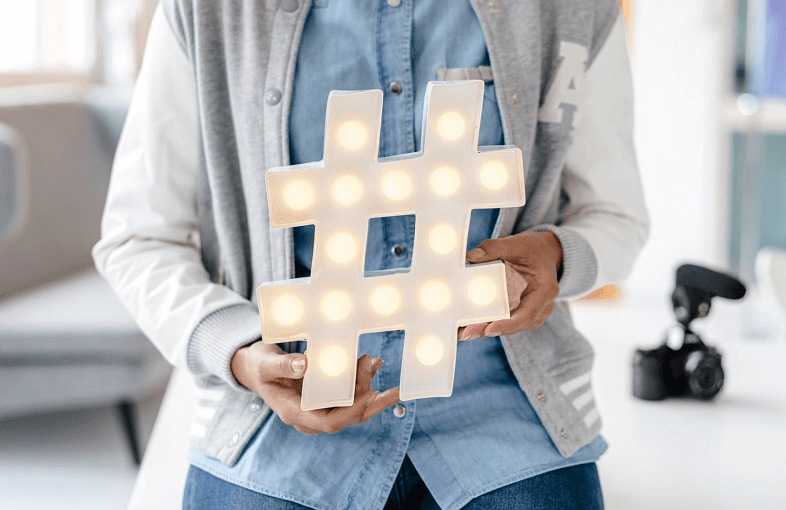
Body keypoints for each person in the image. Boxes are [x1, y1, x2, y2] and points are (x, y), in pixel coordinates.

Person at [93, 0, 648, 508]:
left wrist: (555, 256)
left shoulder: (573, 10)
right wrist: (236, 350)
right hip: (281, 415)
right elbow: (138, 238)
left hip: (503, 411)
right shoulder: (207, 11)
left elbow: (616, 217)